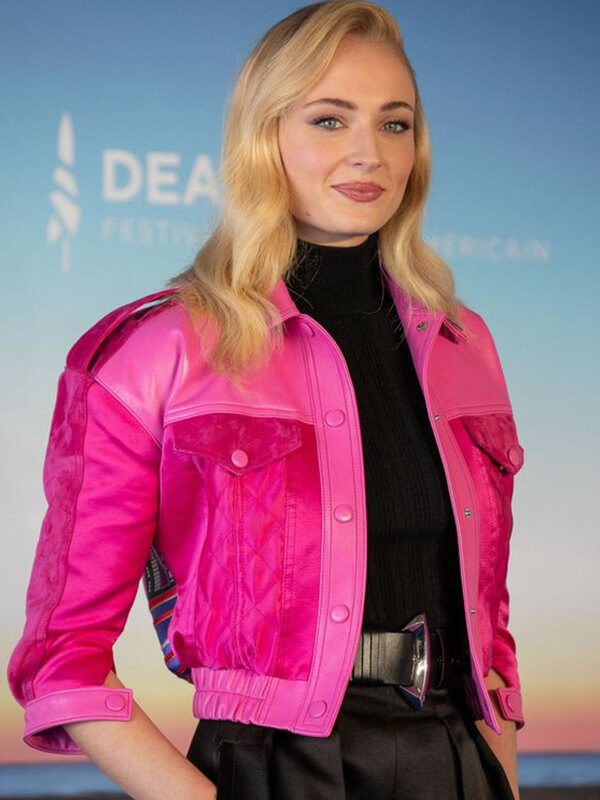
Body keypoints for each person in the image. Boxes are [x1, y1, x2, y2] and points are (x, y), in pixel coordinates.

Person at [7, 2, 526, 798]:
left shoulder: (466, 343)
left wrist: (502, 781)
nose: (369, 152)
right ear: (263, 136)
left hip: (457, 763)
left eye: (395, 124)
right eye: (329, 119)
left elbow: (490, 633)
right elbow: (63, 656)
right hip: (271, 767)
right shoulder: (153, 351)